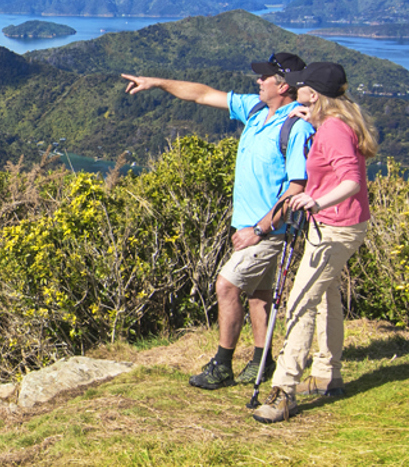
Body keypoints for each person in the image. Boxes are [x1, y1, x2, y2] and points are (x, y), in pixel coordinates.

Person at [123, 52, 314, 390]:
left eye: (265, 77)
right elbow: (201, 93)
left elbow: (297, 187)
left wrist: (259, 230)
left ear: (283, 86)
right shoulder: (256, 110)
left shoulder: (296, 126)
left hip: (267, 231)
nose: (258, 81)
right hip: (249, 227)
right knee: (259, 295)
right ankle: (262, 360)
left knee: (226, 286)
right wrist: (156, 82)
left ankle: (223, 364)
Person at [252, 61, 377, 424]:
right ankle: (327, 374)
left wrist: (316, 201)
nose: (294, 90)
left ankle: (284, 389)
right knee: (326, 296)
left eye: (300, 87)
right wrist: (315, 121)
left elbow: (351, 180)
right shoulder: (334, 122)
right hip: (342, 225)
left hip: (335, 227)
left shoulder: (335, 128)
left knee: (301, 301)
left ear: (313, 93)